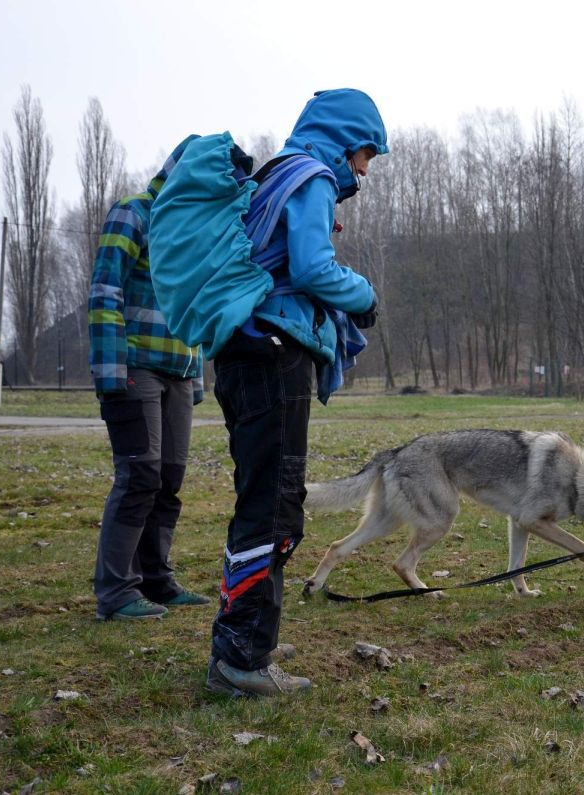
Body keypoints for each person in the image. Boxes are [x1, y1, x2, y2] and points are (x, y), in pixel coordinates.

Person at [150, 88, 385, 696]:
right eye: (366, 155)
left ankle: (244, 639)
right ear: (345, 140)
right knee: (275, 508)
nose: (364, 169)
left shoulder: (279, 174)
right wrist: (364, 295)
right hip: (274, 353)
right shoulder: (311, 177)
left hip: (242, 353)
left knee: (262, 500)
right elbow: (310, 269)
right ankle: (241, 662)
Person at [88, 140, 212, 621]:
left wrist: (196, 377)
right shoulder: (133, 213)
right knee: (139, 474)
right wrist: (110, 371)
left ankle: (156, 582)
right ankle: (116, 592)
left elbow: (195, 306)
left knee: (169, 479)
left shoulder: (195, 233)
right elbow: (104, 291)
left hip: (179, 372)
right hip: (135, 367)